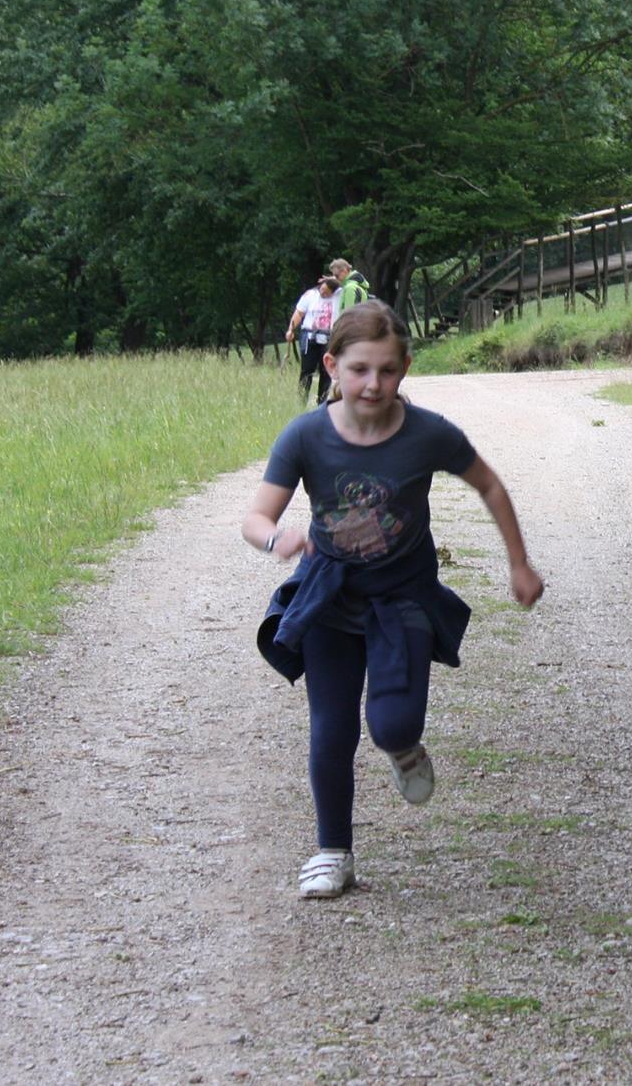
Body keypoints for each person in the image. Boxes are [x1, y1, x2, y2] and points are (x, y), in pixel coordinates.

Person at [242, 301, 545, 900]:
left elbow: (489, 485)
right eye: (359, 369)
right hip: (329, 597)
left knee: (392, 724)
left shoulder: (428, 434)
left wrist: (518, 563)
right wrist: (278, 538)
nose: (372, 384)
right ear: (332, 366)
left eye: (386, 370)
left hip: (403, 597)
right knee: (331, 729)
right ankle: (333, 852)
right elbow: (256, 517)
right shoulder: (305, 436)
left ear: (405, 367)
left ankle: (403, 747)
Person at [285, 276, 337, 406]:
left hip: (328, 338)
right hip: (309, 337)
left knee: (326, 372)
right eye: (322, 289)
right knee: (306, 371)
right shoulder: (310, 295)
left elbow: (350, 279)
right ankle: (301, 401)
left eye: (327, 292)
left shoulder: (339, 295)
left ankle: (322, 404)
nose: (323, 293)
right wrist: (291, 330)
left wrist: (335, 278)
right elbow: (299, 313)